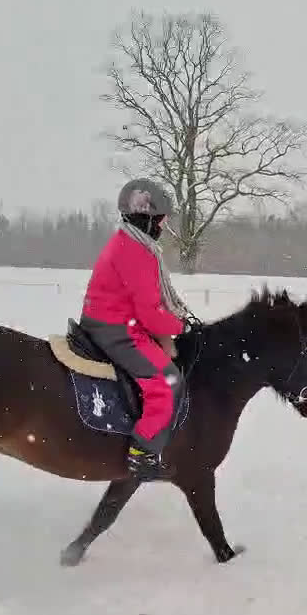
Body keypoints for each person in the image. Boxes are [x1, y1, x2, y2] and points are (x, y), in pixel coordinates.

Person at [80, 178, 189, 479]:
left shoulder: (133, 243)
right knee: (168, 382)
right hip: (116, 328)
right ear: (148, 217)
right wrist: (180, 326)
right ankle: (143, 451)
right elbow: (150, 314)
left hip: (111, 320)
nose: (164, 225)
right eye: (162, 218)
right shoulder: (135, 251)